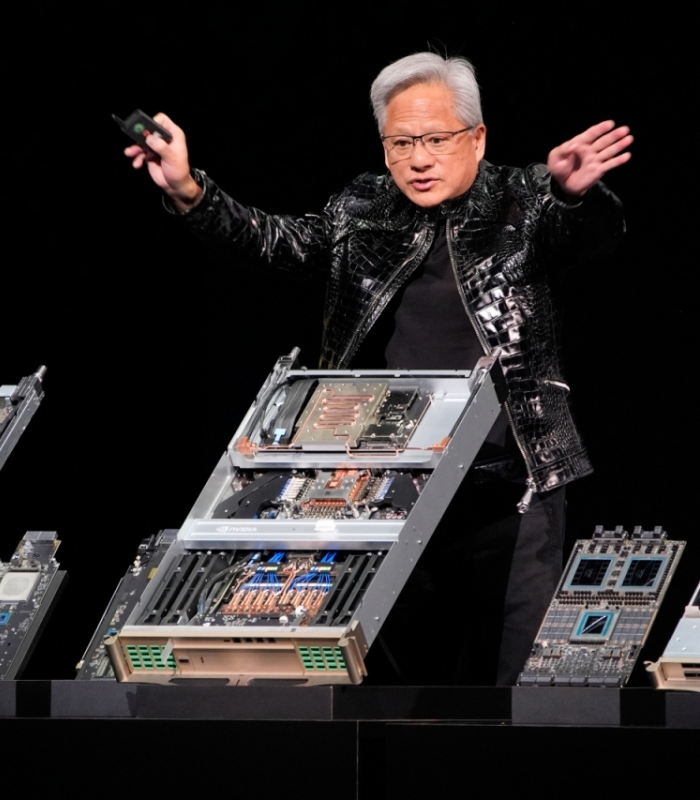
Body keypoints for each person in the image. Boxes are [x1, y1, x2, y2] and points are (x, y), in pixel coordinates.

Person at [124, 53, 630, 685]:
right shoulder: (364, 206)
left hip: (515, 487)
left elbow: (587, 236)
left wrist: (573, 196)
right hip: (395, 491)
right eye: (401, 143)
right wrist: (189, 192)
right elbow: (280, 242)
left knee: (521, 688)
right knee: (401, 691)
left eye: (436, 140)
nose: (418, 159)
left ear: (476, 138)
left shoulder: (525, 198)